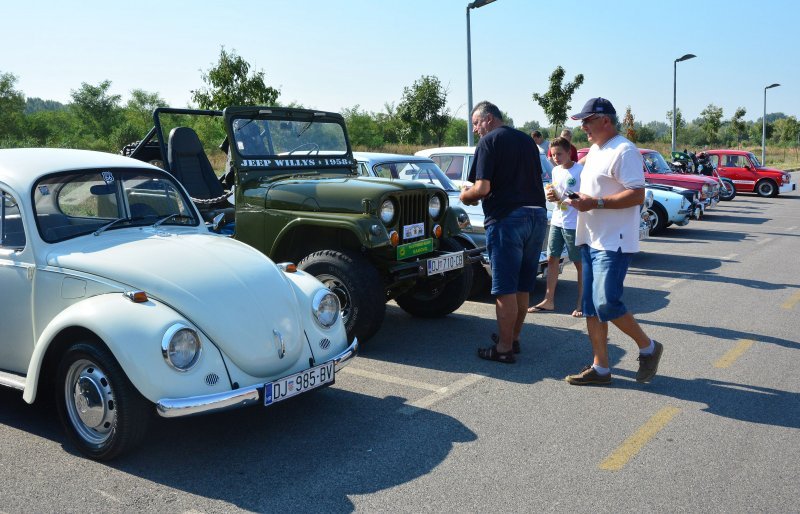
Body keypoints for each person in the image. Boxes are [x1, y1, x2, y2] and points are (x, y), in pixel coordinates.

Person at [560, 97, 663, 385]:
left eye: (588, 121)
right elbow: (589, 188)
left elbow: (637, 194)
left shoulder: (624, 150)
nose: (583, 127)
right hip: (591, 237)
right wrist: (571, 198)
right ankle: (601, 367)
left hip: (613, 241)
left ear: (605, 120)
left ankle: (649, 347)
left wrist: (597, 203)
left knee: (606, 302)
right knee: (591, 307)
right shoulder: (595, 150)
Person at [460, 101, 547, 364]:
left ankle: (504, 349)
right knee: (522, 285)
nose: (475, 129)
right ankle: (514, 338)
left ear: (488, 119)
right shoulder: (526, 141)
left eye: (476, 123)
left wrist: (466, 196)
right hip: (537, 215)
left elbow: (482, 188)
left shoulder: (488, 142)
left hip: (508, 218)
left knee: (504, 288)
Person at [528, 136, 584, 317]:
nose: (556, 158)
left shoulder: (580, 171)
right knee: (552, 259)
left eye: (559, 154)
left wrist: (562, 199)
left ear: (569, 152)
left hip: (574, 224)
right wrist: (551, 195)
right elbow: (556, 193)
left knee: (579, 264)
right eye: (553, 155)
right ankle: (548, 300)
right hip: (557, 221)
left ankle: (582, 303)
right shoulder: (555, 171)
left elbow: (582, 198)